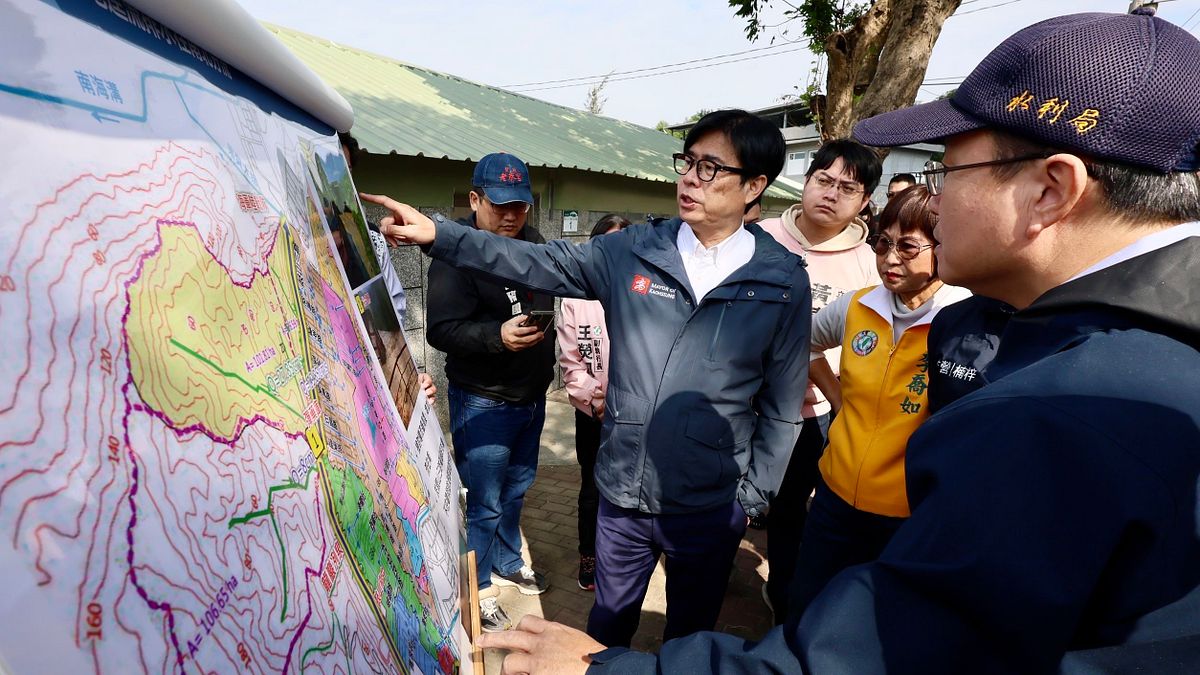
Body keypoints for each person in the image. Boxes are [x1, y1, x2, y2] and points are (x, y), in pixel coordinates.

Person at [475, 10, 1200, 673]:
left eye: (946, 171)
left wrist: (604, 667)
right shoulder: (1112, 357)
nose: (931, 201)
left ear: (1051, 190)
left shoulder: (1067, 411)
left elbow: (879, 653)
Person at [364, 109, 812, 648]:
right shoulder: (634, 251)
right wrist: (442, 235)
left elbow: (784, 406)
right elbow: (535, 260)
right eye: (687, 163)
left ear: (754, 186)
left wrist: (750, 501)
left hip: (711, 506)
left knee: (690, 638)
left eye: (711, 168)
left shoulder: (780, 281)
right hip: (623, 495)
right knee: (606, 628)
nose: (690, 179)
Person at [788, 184, 969, 618]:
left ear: (941, 246)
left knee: (876, 623)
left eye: (908, 246)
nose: (890, 258)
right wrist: (837, 401)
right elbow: (804, 345)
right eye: (882, 242)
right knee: (807, 608)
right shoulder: (857, 307)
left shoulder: (962, 322)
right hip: (833, 496)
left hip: (908, 516)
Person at [426, 152, 555, 632]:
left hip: (531, 396)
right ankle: (474, 587)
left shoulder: (536, 243)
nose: (510, 216)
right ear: (475, 198)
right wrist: (495, 337)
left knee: (517, 488)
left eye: (519, 206)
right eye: (499, 205)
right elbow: (441, 330)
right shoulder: (454, 252)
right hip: (483, 397)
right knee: (482, 500)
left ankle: (505, 560)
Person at [756, 138, 881, 621]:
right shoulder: (758, 238)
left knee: (790, 512)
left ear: (865, 201)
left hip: (813, 411)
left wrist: (836, 397)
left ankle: (783, 599)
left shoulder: (870, 264)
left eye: (846, 188)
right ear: (806, 182)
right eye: (823, 180)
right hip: (738, 402)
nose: (830, 194)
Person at [555, 214, 631, 591]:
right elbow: (571, 363)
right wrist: (597, 401)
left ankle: (620, 557)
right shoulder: (575, 297)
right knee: (592, 487)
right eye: (609, 243)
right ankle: (589, 553)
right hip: (594, 412)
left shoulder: (644, 291)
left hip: (636, 413)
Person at [338, 132, 437, 403]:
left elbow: (395, 312)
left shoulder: (369, 238)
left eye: (342, 171)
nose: (334, 183)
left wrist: (406, 373)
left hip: (371, 390)